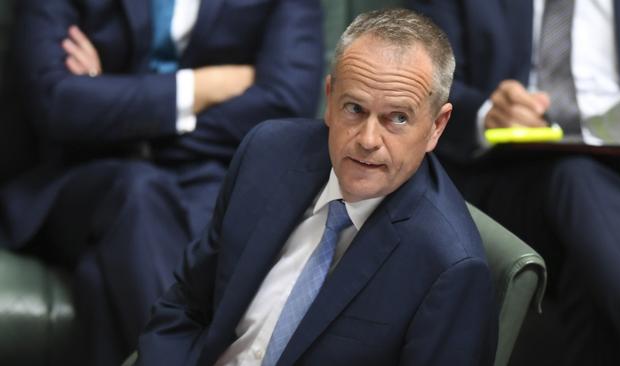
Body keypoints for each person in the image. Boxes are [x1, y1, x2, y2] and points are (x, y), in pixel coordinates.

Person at [135, 8, 497, 366]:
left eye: (397, 118)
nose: (368, 140)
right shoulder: (267, 154)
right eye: (354, 108)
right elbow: (186, 304)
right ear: (329, 98)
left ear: (437, 125)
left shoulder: (450, 266)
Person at [0, 0, 323, 364]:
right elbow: (55, 100)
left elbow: (285, 105)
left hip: (208, 180)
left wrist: (111, 101)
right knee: (139, 192)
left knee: (104, 277)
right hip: (81, 178)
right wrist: (198, 89)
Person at [408, 0, 620, 365]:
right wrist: (488, 113)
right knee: (577, 174)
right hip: (513, 180)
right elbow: (415, 79)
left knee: (592, 272)